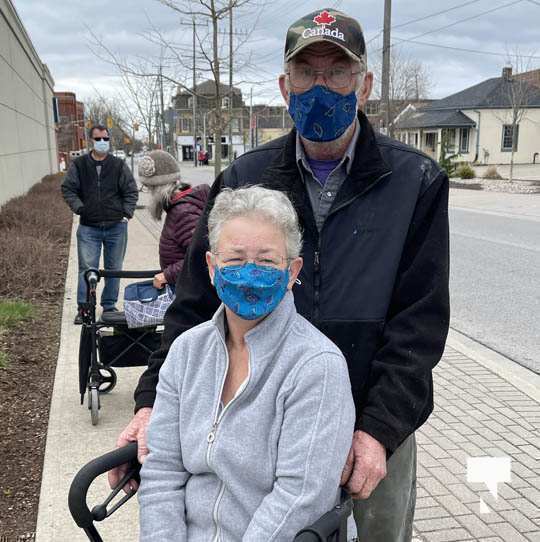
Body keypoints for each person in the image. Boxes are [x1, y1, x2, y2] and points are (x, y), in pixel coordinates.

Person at [113, 8, 450, 541]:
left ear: (364, 85)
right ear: (284, 86)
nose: (321, 86)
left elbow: (420, 322)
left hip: (371, 415)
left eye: (337, 72)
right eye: (305, 72)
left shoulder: (414, 180)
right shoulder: (246, 175)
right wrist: (153, 400)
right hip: (264, 420)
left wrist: (379, 430)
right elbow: (195, 301)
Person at [138, 186, 355, 540]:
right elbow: (162, 472)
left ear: (292, 271)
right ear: (211, 267)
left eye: (267, 261)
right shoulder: (186, 353)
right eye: (235, 259)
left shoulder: (317, 366)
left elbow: (300, 497)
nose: (250, 273)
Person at [61, 124, 138, 324]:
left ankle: (109, 307)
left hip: (116, 226)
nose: (102, 142)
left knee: (114, 268)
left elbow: (131, 191)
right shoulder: (79, 165)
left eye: (105, 138)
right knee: (87, 269)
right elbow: (68, 189)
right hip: (89, 227)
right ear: (91, 141)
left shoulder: (118, 165)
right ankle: (85, 309)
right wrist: (79, 208)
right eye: (98, 139)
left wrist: (126, 214)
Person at [136, 150, 210, 289]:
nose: (149, 193)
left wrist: (167, 275)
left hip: (190, 291)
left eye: (148, 188)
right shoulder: (180, 206)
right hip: (186, 286)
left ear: (159, 187)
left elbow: (202, 256)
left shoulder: (183, 212)